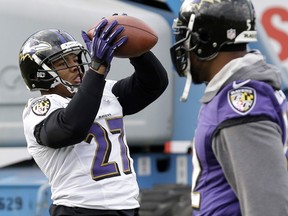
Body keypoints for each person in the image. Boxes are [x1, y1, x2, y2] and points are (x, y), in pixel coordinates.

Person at [19, 16, 168, 216]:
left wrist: (135, 48)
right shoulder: (40, 109)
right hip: (80, 209)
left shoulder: (103, 91)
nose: (75, 66)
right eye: (62, 62)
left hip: (127, 207)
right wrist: (96, 72)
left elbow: (153, 84)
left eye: (75, 58)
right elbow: (71, 128)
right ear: (41, 74)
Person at [170, 0, 288, 215]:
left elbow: (268, 206)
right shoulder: (241, 92)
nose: (183, 46)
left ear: (204, 41)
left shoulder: (240, 105)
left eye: (186, 37)